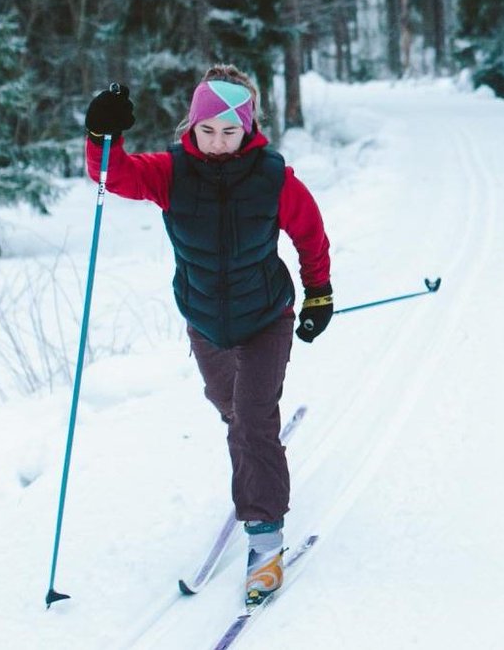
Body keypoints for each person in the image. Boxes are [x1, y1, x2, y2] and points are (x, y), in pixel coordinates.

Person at [83, 65, 333, 606]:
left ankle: (265, 541)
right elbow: (113, 174)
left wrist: (319, 294)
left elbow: (310, 234)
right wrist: (103, 135)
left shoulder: (273, 178)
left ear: (247, 130)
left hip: (266, 315)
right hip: (205, 319)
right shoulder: (170, 174)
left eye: (229, 131)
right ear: (190, 129)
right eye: (207, 131)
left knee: (252, 420)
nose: (218, 143)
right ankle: (253, 451)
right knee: (230, 406)